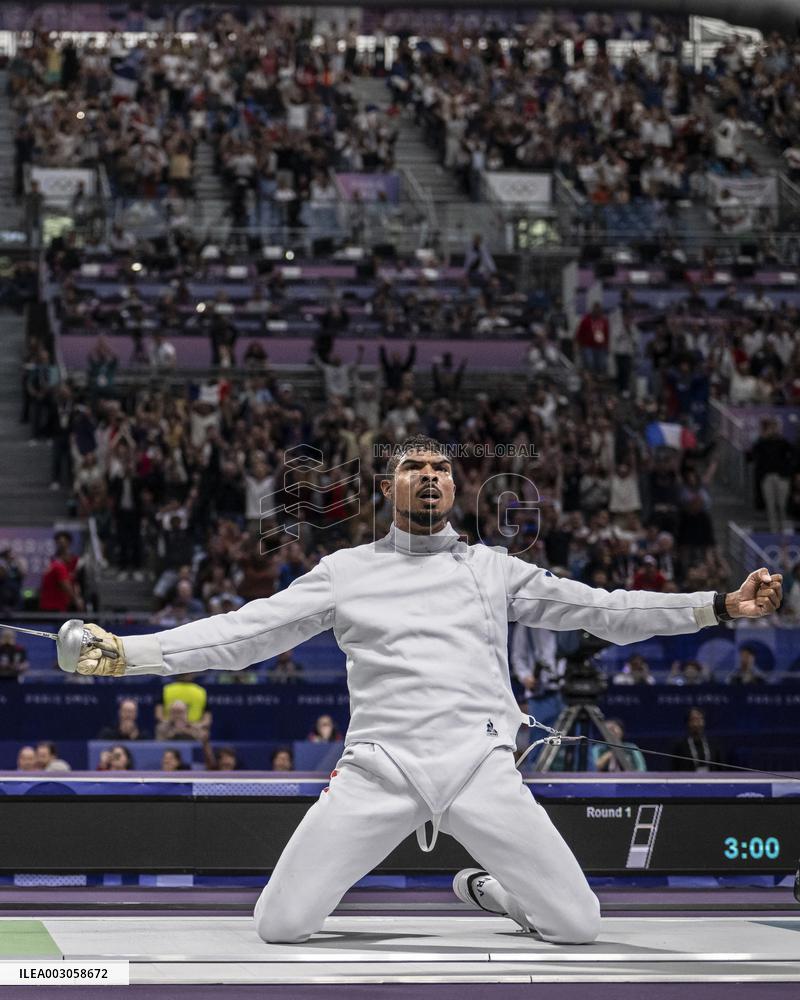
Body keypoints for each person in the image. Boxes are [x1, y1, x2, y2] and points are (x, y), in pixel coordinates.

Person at [67, 434, 783, 947]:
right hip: (380, 767)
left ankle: (488, 888)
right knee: (279, 925)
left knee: (579, 925)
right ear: (388, 488)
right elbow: (245, 632)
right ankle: (477, 880)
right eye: (414, 467)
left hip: (480, 769)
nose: (431, 476)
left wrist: (716, 605)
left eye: (442, 467)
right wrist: (127, 654)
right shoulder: (345, 571)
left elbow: (604, 608)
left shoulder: (493, 568)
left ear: (457, 486)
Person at [39, 531, 83, 613]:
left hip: (68, 600)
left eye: (63, 542)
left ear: (69, 543)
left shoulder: (76, 560)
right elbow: (64, 584)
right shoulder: (55, 563)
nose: (61, 545)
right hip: (56, 603)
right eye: (58, 542)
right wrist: (76, 600)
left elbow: (76, 581)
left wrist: (77, 596)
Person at [671, 707, 725, 772]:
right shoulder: (680, 746)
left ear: (704, 722)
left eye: (699, 719)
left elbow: (720, 769)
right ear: (688, 723)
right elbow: (674, 770)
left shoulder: (714, 745)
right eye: (693, 720)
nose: (696, 724)